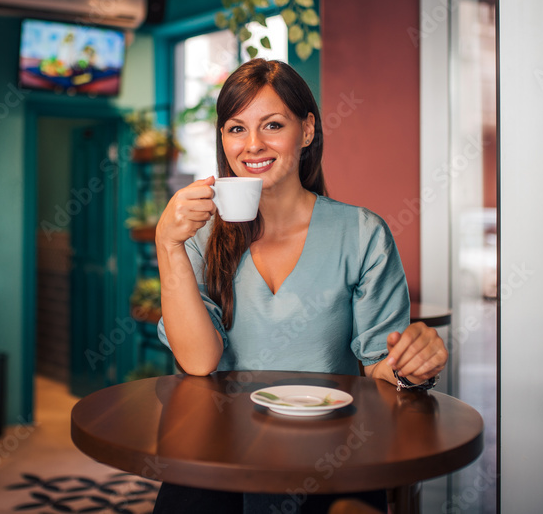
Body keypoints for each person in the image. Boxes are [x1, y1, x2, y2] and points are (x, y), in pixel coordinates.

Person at [153, 58, 449, 514]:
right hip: (215, 455)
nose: (252, 145)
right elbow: (198, 360)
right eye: (236, 129)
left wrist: (413, 364)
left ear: (306, 130)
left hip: (331, 457)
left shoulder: (362, 233)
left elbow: (381, 370)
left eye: (272, 125)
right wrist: (167, 245)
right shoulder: (199, 236)